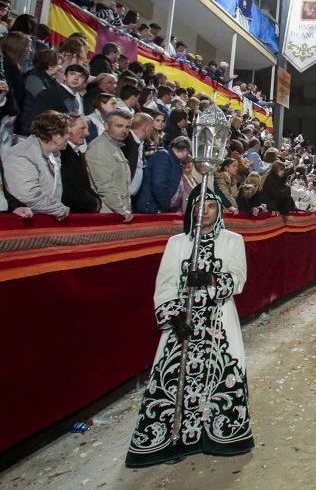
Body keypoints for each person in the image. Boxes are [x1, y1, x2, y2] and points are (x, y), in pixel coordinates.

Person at [125, 189, 254, 467]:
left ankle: (219, 435)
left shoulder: (233, 240)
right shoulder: (178, 243)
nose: (205, 211)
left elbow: (238, 278)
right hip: (183, 323)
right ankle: (173, 439)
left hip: (219, 320)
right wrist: (173, 315)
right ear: (191, 209)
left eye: (211, 206)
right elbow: (166, 283)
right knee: (174, 377)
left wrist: (210, 278)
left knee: (223, 374)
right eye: (200, 206)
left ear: (219, 210)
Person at [2, 110, 71, 218]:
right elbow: (28, 195)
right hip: (25, 224)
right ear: (56, 136)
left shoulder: (54, 154)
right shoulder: (22, 155)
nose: (69, 137)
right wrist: (60, 210)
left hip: (46, 220)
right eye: (67, 133)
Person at [86, 109, 134, 222]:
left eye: (127, 127)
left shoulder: (115, 146)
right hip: (108, 214)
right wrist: (121, 210)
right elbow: (104, 184)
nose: (124, 131)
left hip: (118, 212)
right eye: (119, 126)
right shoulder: (100, 147)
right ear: (106, 125)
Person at [135, 136, 191, 214]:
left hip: (160, 209)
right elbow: (158, 184)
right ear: (185, 150)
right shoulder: (163, 156)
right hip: (152, 209)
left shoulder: (173, 160)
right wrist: (166, 206)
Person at [60, 114, 101, 213]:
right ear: (68, 129)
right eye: (82, 128)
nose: (87, 133)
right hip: (71, 213)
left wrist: (96, 201)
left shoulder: (75, 152)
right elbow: (68, 189)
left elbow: (84, 185)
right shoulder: (62, 154)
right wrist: (93, 203)